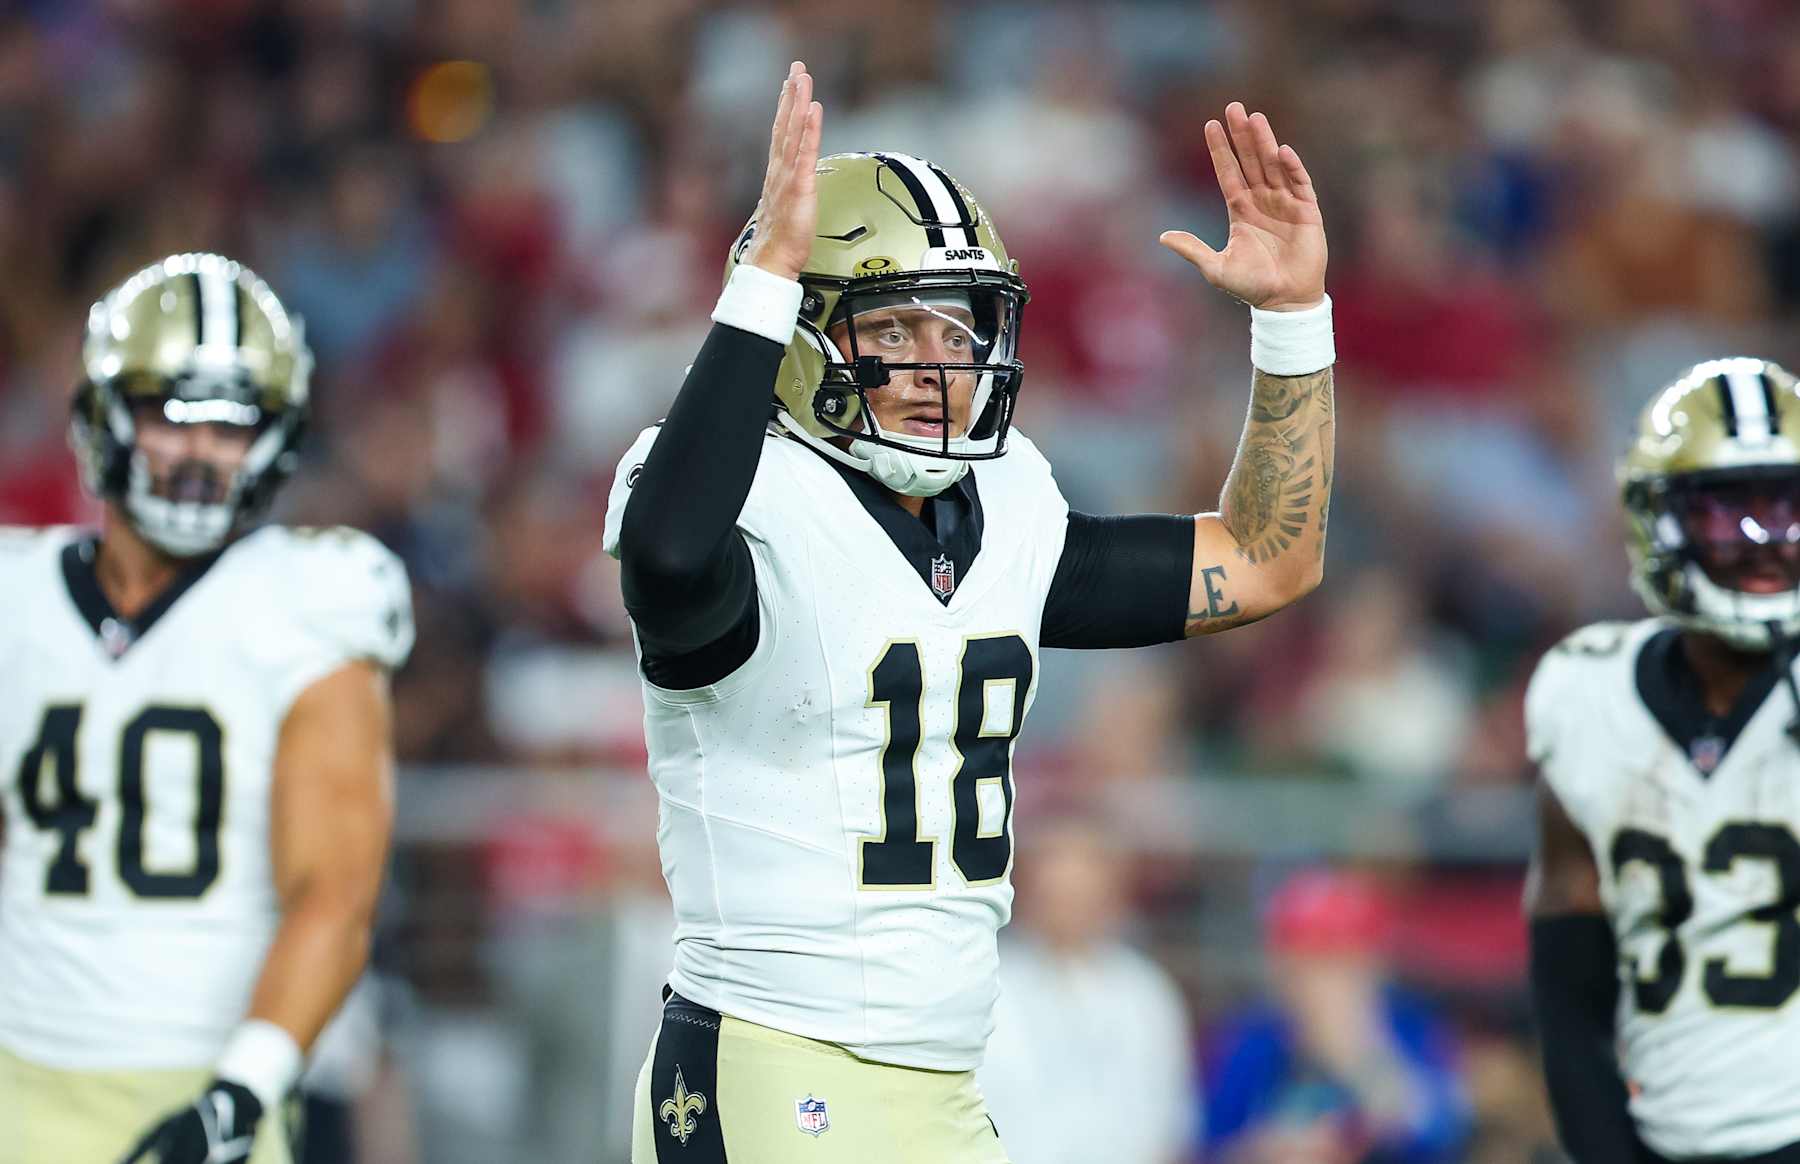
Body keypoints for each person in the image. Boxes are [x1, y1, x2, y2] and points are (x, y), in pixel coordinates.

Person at [604, 61, 1335, 1163]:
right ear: (801, 334)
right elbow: (666, 556)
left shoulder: (1011, 504)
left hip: (946, 1078)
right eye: (892, 333)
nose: (938, 368)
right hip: (767, 1056)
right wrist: (760, 287)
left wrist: (1292, 323)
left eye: (959, 332)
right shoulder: (733, 491)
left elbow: (1271, 560)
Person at [0, 253, 413, 1164]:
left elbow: (336, 894)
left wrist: (238, 1099)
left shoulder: (310, 595)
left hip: (211, 1083)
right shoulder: (16, 597)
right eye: (170, 415)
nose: (199, 453)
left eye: (233, 425)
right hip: (19, 1076)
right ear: (105, 414)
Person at [1527, 356, 1800, 1164]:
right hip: (1662, 1134)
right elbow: (1569, 991)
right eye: (1730, 515)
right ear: (1661, 520)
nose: (1767, 546)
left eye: (1789, 511)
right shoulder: (1586, 693)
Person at [1203, 870, 1470, 1164]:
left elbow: (1443, 1133)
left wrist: (1361, 1058)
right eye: (1305, 963)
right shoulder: (1252, 1041)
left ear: (1372, 965)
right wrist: (1266, 1151)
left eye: (1337, 962)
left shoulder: (1413, 1030)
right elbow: (1209, 1147)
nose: (1320, 984)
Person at [977, 818, 1197, 1164]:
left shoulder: (1144, 990)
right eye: (1057, 892)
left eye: (1084, 892)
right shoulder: (986, 985)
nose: (1069, 907)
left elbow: (1167, 1116)